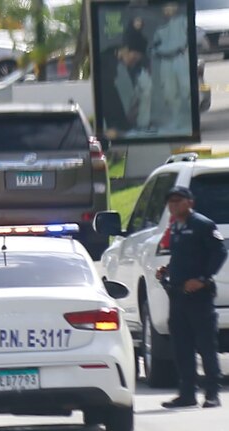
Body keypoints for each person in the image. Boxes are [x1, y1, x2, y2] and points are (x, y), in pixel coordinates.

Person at [157, 186, 227, 409]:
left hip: (199, 295)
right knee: (182, 346)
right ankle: (187, 393)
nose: (173, 205)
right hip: (178, 296)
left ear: (190, 202)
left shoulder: (202, 224)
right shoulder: (176, 226)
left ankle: (212, 394)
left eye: (178, 201)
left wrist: (203, 278)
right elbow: (183, 257)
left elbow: (220, 252)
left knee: (206, 344)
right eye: (170, 201)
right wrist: (167, 270)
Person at [99, 21, 152, 139]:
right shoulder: (107, 63)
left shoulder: (126, 65)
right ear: (126, 50)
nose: (134, 61)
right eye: (134, 57)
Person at [151, 2, 190, 132]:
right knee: (169, 92)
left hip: (179, 58)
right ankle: (176, 119)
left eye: (171, 6)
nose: (168, 10)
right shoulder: (159, 26)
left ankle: (190, 119)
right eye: (165, 7)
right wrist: (157, 51)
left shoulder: (182, 20)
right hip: (165, 61)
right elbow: (153, 47)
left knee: (186, 88)